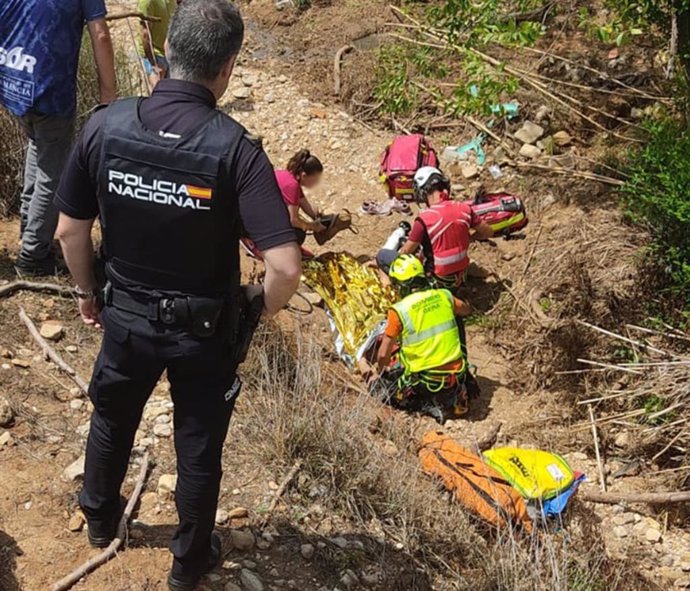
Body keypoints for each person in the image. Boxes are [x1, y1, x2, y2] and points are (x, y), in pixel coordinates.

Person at [54, 2, 302, 590]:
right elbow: (286, 267)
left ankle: (98, 516)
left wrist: (89, 293)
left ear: (167, 54)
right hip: (204, 331)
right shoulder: (237, 149)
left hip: (127, 315)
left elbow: (68, 230)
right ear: (228, 67)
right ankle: (188, 563)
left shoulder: (106, 125)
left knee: (112, 416)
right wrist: (252, 310)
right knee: (198, 447)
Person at [0, 0, 116, 276]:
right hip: (49, 90)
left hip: (14, 81)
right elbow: (99, 33)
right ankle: (32, 256)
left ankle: (31, 233)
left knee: (38, 149)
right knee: (52, 173)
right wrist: (109, 94)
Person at [376, 255, 472, 423]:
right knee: (457, 317)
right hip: (456, 375)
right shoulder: (444, 296)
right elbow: (465, 310)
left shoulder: (399, 311)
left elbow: (383, 354)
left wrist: (379, 371)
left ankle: (426, 404)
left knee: (381, 390)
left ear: (400, 285)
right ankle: (456, 394)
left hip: (427, 382)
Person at [378, 166, 494, 289]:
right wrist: (469, 237)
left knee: (382, 256)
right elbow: (488, 232)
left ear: (423, 191)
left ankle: (389, 289)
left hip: (436, 281)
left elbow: (406, 252)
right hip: (460, 277)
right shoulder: (464, 208)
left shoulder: (424, 218)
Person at [275, 149, 353, 246]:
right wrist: (312, 226)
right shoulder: (292, 186)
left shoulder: (288, 176)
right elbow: (293, 220)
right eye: (315, 179)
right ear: (304, 175)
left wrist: (317, 216)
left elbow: (303, 202)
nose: (316, 183)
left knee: (299, 224)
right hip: (262, 220)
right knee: (298, 234)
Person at [139, 0, 180, 89]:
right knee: (157, 89)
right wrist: (153, 64)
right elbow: (145, 34)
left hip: (169, 52)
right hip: (155, 54)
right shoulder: (147, 2)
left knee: (172, 90)